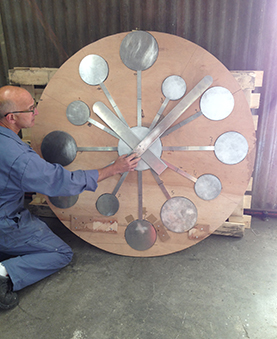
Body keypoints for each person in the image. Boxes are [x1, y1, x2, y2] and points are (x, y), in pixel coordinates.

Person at [0, 85, 140, 310]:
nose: (36, 112)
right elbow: (62, 184)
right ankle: (3, 274)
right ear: (11, 117)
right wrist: (113, 169)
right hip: (4, 222)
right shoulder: (18, 158)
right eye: (30, 109)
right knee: (59, 253)